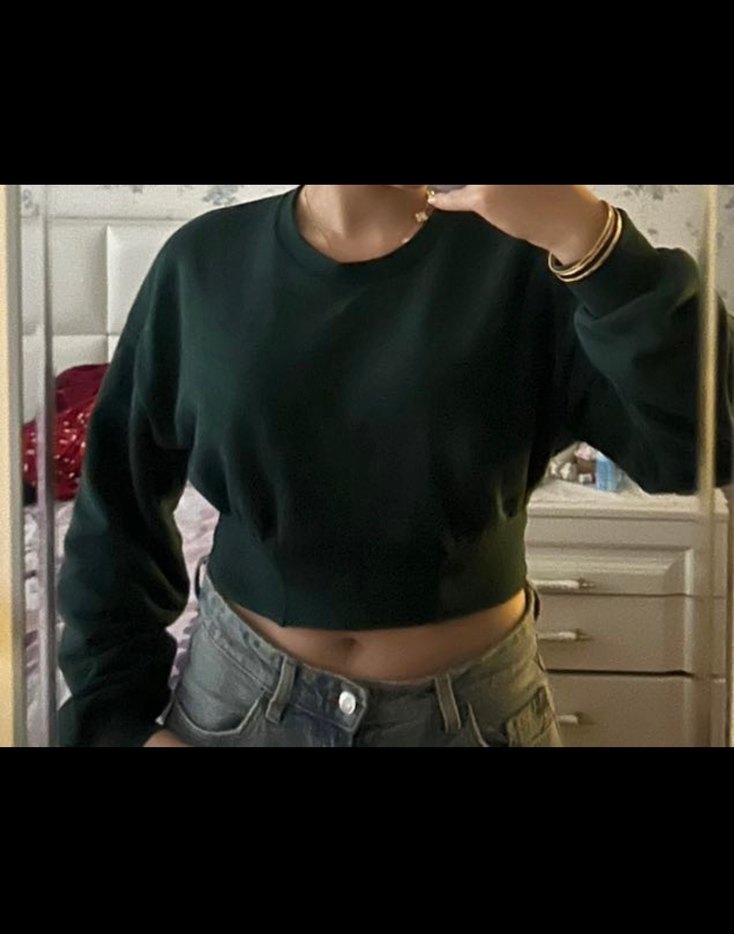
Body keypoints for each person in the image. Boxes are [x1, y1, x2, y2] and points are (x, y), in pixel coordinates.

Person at [55, 185, 734, 747]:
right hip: (237, 707)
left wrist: (592, 237)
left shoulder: (532, 256)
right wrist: (113, 719)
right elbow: (117, 502)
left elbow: (706, 446)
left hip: (474, 715)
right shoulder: (202, 262)